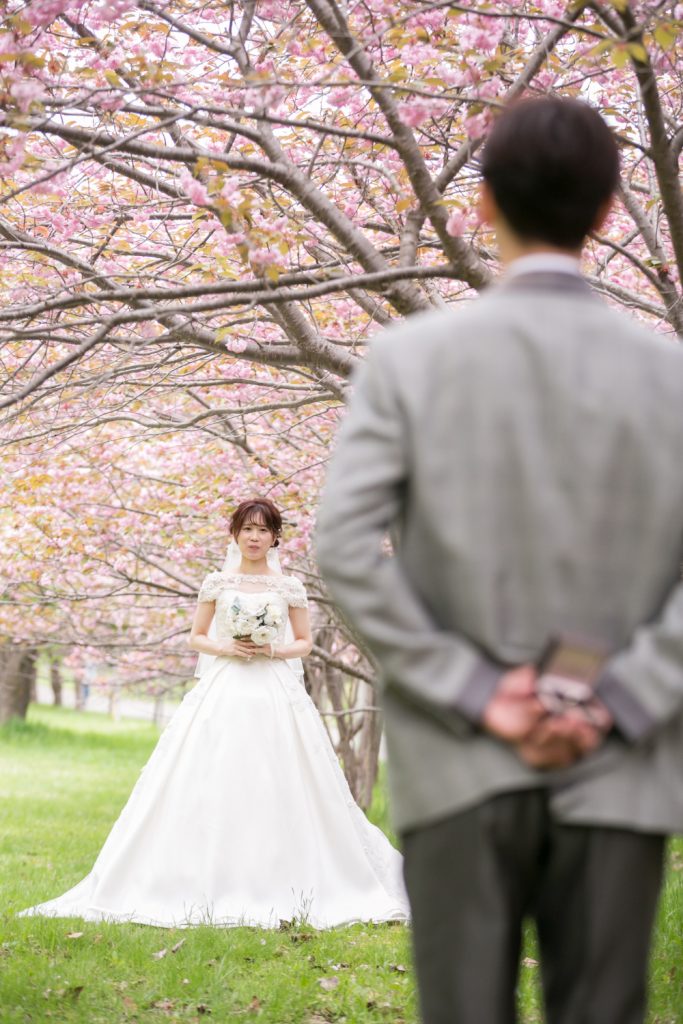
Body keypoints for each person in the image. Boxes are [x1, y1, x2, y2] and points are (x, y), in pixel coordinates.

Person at [316, 97, 683, 1024]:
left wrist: (480, 690)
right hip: (621, 760)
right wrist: (619, 696)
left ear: (481, 204)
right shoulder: (668, 379)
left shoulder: (406, 360)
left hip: (459, 756)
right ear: (607, 212)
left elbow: (344, 549)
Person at [20, 498, 408, 928]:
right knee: (211, 772)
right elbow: (197, 636)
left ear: (276, 536)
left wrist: (270, 648)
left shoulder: (289, 588)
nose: (255, 537)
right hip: (225, 688)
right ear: (235, 534)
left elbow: (304, 643)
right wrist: (227, 646)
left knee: (279, 776)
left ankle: (289, 874)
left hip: (273, 690)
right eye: (247, 529)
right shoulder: (217, 583)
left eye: (263, 530)